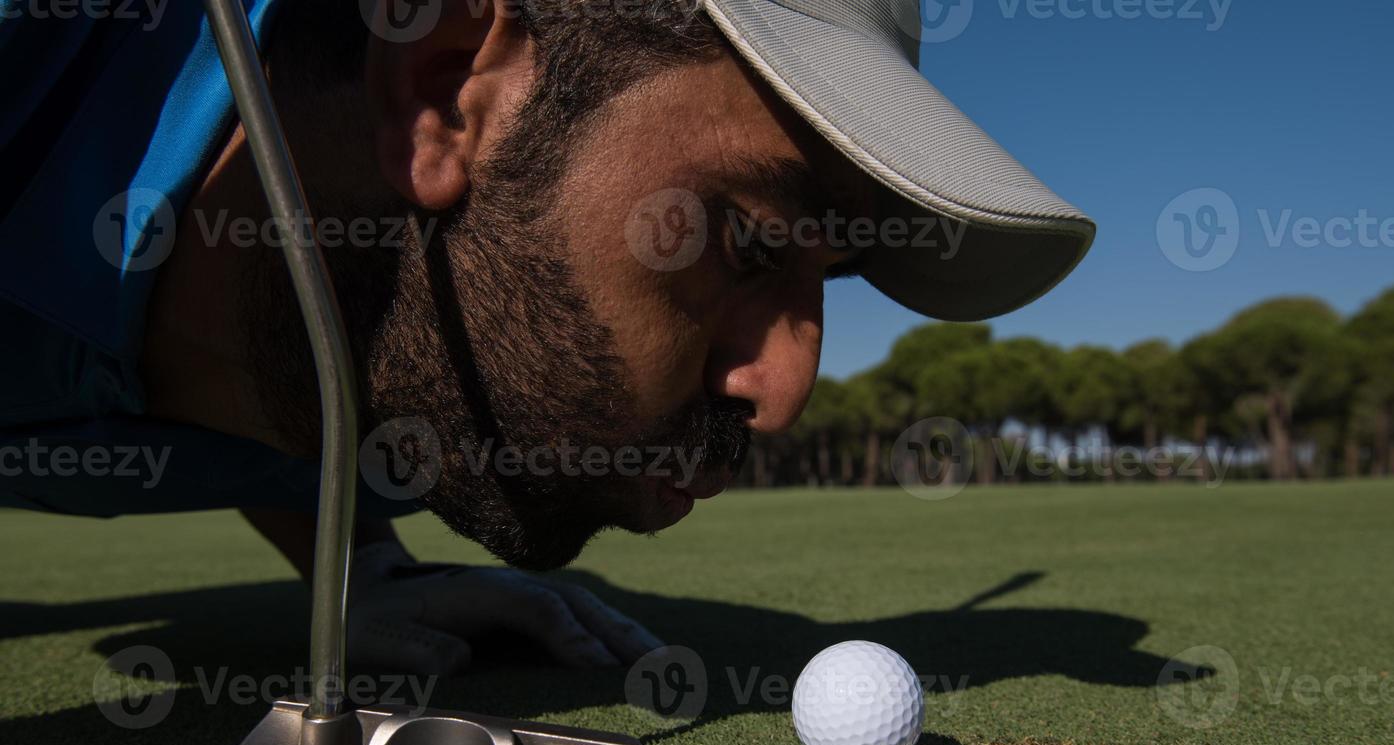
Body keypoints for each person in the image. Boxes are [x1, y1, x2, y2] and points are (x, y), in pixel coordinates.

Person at [0, 0, 1094, 674]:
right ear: (444, 84)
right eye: (750, 243)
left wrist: (358, 570)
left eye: (828, 277)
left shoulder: (407, 364)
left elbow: (288, 331)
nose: (784, 388)